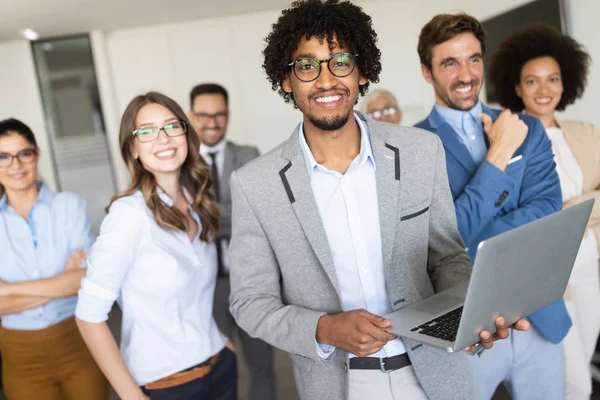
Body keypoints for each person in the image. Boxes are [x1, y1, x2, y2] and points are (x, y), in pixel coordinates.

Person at [228, 2, 527, 400]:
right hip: (338, 383)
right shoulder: (255, 184)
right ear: (287, 80)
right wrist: (324, 328)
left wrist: (470, 314)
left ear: (362, 70)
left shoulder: (421, 151)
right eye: (306, 66)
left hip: (436, 374)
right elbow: (249, 302)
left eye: (341, 61)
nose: (325, 80)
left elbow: (447, 257)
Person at [415, 13, 570, 400]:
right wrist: (498, 156)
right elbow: (440, 238)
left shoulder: (526, 127)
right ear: (426, 72)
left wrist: (472, 235)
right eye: (449, 63)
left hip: (539, 317)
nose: (466, 75)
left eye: (473, 59)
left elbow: (549, 209)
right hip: (467, 324)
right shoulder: (412, 148)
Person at [75, 92, 235, 400]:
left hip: (218, 365)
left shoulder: (196, 201)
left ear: (186, 135)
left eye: (171, 126)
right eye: (146, 131)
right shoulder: (128, 216)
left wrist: (220, 342)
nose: (162, 138)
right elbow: (88, 316)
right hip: (165, 384)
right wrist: (129, 394)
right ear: (133, 148)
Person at [488, 23, 600, 400]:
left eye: (552, 79)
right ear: (516, 88)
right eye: (532, 81)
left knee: (584, 362)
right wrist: (584, 204)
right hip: (549, 276)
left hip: (589, 265)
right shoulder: (509, 138)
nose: (544, 89)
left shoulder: (586, 132)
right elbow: (524, 214)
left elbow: (553, 212)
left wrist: (567, 210)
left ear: (565, 83)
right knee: (575, 383)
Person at [0, 118, 107, 400]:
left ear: (36, 155)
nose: (16, 165)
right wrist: (62, 281)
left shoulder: (69, 206)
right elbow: (71, 283)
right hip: (20, 354)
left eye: (24, 153)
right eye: (3, 156)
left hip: (78, 339)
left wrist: (8, 289)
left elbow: (85, 279)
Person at [188, 82, 274, 400]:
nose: (212, 122)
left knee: (262, 365)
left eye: (219, 115)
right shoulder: (181, 162)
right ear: (191, 116)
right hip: (206, 285)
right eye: (204, 115)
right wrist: (232, 212)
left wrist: (204, 212)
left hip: (251, 280)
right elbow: (188, 218)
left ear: (228, 115)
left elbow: (261, 208)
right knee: (219, 370)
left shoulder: (248, 155)